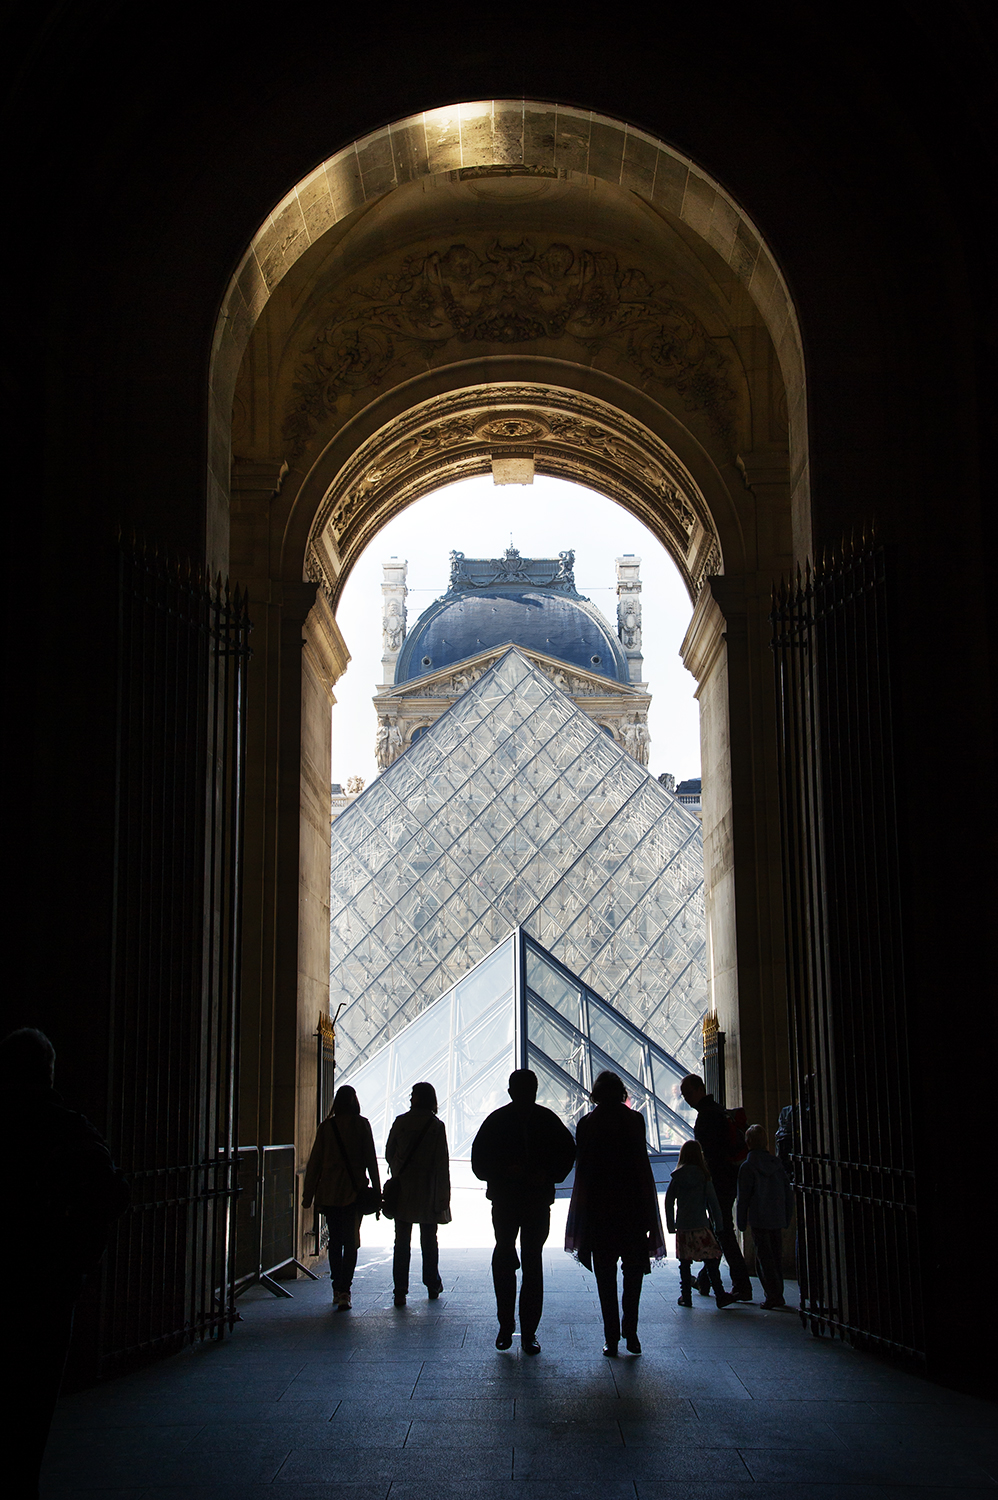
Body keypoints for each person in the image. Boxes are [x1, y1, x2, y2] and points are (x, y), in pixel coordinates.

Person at [1, 1028, 129, 1500]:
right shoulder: (66, 1127)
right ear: (48, 1071)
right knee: (33, 1405)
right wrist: (77, 1260)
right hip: (46, 1285)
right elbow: (112, 1195)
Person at [471, 1068, 576, 1354]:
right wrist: (548, 1175)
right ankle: (528, 1332)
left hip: (505, 1200)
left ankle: (506, 1328)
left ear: (509, 1091)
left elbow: (478, 1164)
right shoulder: (548, 1120)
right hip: (537, 1200)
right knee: (533, 1261)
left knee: (504, 1254)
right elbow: (569, 1152)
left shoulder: (495, 1121)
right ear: (536, 1090)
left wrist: (503, 1173)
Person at [564, 1071, 666, 1356]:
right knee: (633, 1275)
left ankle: (611, 1337)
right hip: (632, 1209)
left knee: (605, 1278)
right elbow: (640, 1167)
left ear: (596, 1095)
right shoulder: (635, 1121)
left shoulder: (586, 1124)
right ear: (620, 1092)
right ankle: (630, 1331)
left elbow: (583, 1171)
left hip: (599, 1212)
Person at [302, 1084, 380, 1311]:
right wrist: (376, 1190)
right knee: (351, 1242)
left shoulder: (327, 1127)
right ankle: (346, 1289)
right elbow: (370, 1161)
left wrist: (308, 1195)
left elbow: (314, 1163)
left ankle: (337, 1287)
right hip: (354, 1193)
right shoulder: (362, 1125)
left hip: (329, 1193)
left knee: (334, 1241)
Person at [679, 1073, 753, 1300]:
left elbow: (709, 1156)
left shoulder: (706, 1117)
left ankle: (742, 1284)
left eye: (689, 1093)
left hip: (718, 1182)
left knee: (722, 1232)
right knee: (718, 1231)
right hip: (730, 1177)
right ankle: (705, 1280)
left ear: (700, 1089)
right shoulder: (719, 1111)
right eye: (684, 1095)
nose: (687, 1099)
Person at [384, 1081, 451, 1306]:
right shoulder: (436, 1126)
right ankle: (432, 1283)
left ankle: (400, 1289)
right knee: (429, 1240)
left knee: (401, 1242)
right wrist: (444, 1194)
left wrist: (398, 1167)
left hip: (403, 1189)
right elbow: (442, 1164)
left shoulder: (401, 1122)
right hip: (428, 1190)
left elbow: (388, 1152)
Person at [665, 1139, 736, 1308]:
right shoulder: (704, 1177)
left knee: (684, 1262)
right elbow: (713, 1203)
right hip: (701, 1225)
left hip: (683, 1225)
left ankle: (686, 1297)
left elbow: (669, 1201)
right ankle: (720, 1295)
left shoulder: (677, 1176)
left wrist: (670, 1224)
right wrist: (719, 1226)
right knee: (711, 1260)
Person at [736, 1124, 794, 1309]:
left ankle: (772, 1295)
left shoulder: (747, 1167)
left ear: (748, 1142)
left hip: (759, 1219)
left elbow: (743, 1197)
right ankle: (778, 1293)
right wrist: (787, 1215)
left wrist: (741, 1222)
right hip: (776, 1217)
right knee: (776, 1257)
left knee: (763, 1257)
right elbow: (787, 1193)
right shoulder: (776, 1165)